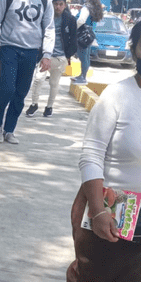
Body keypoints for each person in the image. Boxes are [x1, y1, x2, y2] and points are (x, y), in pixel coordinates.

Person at [66, 22, 141, 281]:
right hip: (113, 218)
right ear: (134, 50)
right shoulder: (118, 96)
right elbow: (91, 155)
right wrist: (99, 212)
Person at [0, 0, 54, 144]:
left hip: (31, 52)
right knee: (7, 88)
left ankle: (9, 130)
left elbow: (49, 28)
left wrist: (47, 54)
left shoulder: (44, 0)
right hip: (10, 48)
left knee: (21, 92)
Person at [26, 0, 77, 117]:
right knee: (38, 79)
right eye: (55, 4)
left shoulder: (70, 19)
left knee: (54, 83)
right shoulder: (46, 16)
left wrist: (67, 55)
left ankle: (49, 107)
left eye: (61, 4)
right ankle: (34, 104)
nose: (58, 7)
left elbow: (74, 40)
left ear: (65, 5)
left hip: (60, 58)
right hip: (44, 56)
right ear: (52, 4)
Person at [72, 0, 104, 86]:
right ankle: (82, 75)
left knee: (83, 56)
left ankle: (83, 77)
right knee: (86, 56)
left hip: (82, 34)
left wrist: (74, 29)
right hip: (89, 35)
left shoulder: (86, 8)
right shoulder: (95, 8)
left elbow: (81, 20)